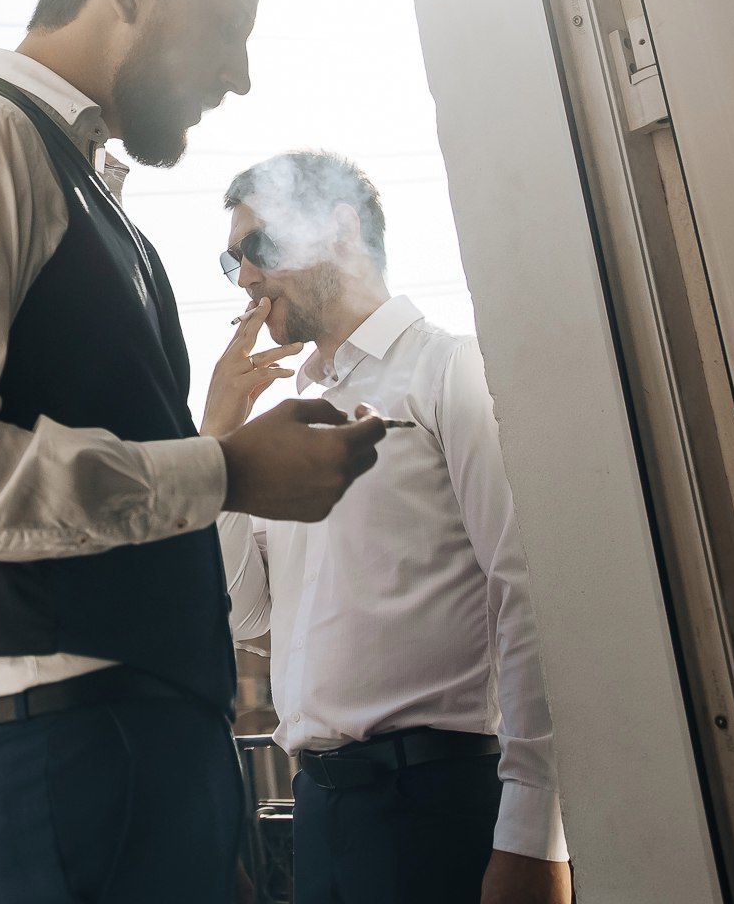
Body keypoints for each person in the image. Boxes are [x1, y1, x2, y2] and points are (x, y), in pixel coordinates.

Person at [0, 0, 391, 903]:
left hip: (126, 772)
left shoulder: (92, 196)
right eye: (223, 24)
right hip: (41, 775)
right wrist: (226, 467)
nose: (238, 74)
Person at [206, 151, 573, 904]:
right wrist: (219, 443)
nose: (244, 277)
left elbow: (527, 593)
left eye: (260, 248)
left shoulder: (450, 372)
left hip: (436, 804)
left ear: (339, 229)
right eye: (231, 259)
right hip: (320, 815)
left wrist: (534, 834)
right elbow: (247, 612)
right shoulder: (286, 421)